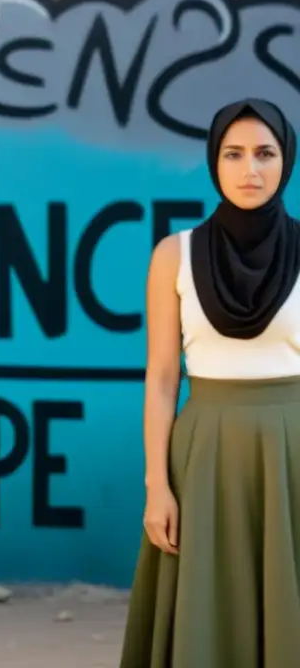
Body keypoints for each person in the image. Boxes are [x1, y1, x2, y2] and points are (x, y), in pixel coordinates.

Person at [121, 98, 300, 667]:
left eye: (265, 154)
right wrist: (156, 485)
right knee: (208, 613)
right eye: (234, 153)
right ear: (213, 163)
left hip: (294, 453)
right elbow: (162, 378)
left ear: (287, 161)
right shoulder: (174, 255)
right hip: (205, 455)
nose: (251, 170)